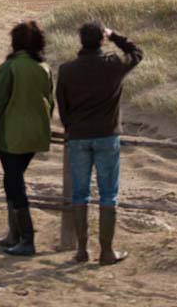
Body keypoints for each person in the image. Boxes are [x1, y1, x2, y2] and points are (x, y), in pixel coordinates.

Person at [56, 22, 143, 265]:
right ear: (101, 41)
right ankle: (106, 251)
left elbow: (63, 107)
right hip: (106, 135)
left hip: (79, 136)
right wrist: (115, 35)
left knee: (80, 193)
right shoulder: (113, 65)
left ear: (80, 41)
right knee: (107, 195)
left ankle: (82, 250)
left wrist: (71, 128)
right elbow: (136, 53)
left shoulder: (67, 70)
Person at [0, 20, 55, 257]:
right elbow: (49, 102)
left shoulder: (10, 68)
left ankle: (26, 239)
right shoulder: (43, 68)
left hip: (12, 135)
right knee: (12, 180)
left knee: (14, 184)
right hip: (36, 134)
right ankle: (15, 235)